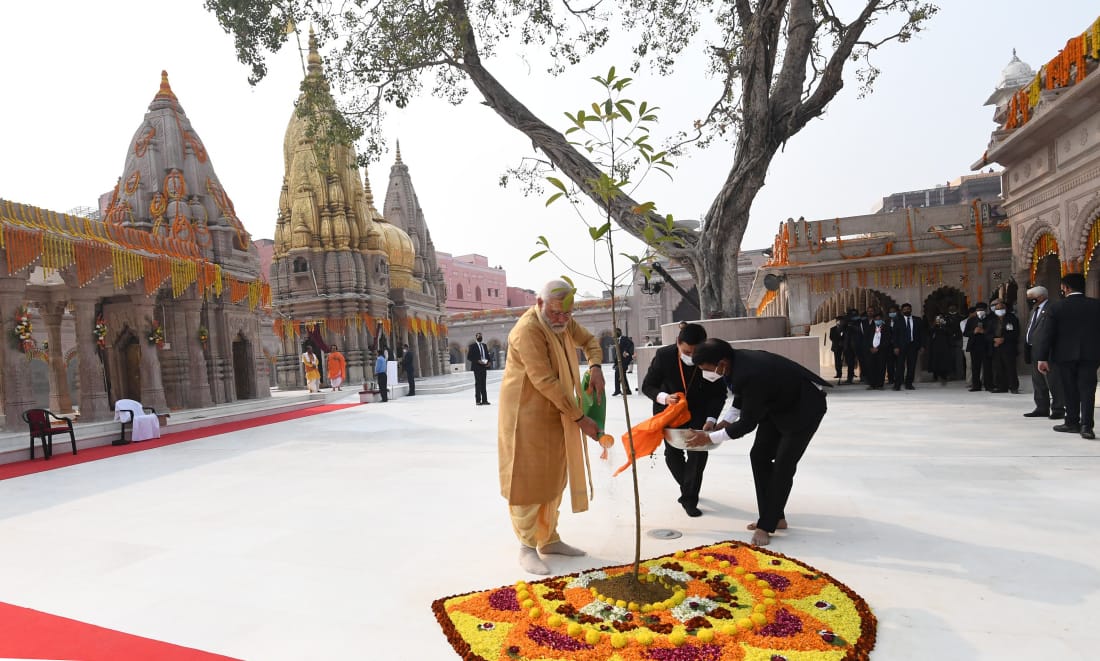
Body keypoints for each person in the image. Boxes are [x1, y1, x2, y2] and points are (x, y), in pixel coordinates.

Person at [498, 280, 605, 574]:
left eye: (567, 315)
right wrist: (580, 418)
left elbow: (590, 342)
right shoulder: (528, 331)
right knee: (529, 479)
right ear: (540, 303)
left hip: (559, 411)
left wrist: (595, 366)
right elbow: (544, 380)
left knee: (555, 474)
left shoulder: (564, 321)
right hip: (526, 415)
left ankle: (548, 538)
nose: (561, 320)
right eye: (556, 313)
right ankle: (527, 546)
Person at [687, 339, 830, 546]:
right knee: (759, 456)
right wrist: (723, 424)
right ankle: (775, 517)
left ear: (722, 362)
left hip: (803, 410)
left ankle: (766, 525)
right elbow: (740, 396)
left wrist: (709, 438)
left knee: (783, 466)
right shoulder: (736, 363)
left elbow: (747, 424)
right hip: (775, 407)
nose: (707, 373)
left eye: (707, 369)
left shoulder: (751, 372)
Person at [640, 323, 727, 517]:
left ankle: (689, 499)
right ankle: (688, 487)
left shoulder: (711, 358)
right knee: (672, 456)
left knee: (697, 455)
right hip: (670, 412)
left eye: (696, 352)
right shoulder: (664, 356)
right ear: (678, 343)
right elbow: (648, 385)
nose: (692, 356)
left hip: (699, 412)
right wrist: (664, 397)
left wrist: (712, 419)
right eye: (687, 351)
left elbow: (718, 394)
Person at [1036, 273, 1100, 440]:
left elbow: (1047, 334)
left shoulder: (1057, 308)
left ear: (1066, 288)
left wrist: (1042, 358)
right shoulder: (1096, 306)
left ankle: (1072, 422)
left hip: (1064, 356)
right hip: (1090, 355)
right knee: (1088, 390)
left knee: (1069, 389)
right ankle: (1087, 426)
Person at [1022, 286, 1065, 419]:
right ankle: (1041, 407)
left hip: (1048, 351)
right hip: (1034, 349)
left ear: (1040, 297)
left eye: (1030, 297)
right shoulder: (1034, 310)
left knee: (1053, 381)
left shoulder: (1053, 308)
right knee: (1038, 381)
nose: (1028, 300)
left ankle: (1058, 409)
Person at [892, 302, 924, 390]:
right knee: (899, 366)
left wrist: (922, 346)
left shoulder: (917, 320)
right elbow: (895, 335)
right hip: (901, 346)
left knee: (912, 365)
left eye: (908, 309)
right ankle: (897, 384)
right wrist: (895, 347)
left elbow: (921, 334)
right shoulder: (898, 320)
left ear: (911, 309)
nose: (907, 310)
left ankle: (909, 384)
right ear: (902, 311)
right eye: (905, 309)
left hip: (913, 346)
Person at [989, 300, 1020, 393]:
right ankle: (1001, 387)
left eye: (1001, 308)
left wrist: (1004, 339)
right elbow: (987, 334)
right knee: (998, 368)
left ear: (1005, 309)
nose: (999, 310)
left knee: (1010, 368)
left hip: (1008, 347)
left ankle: (1013, 387)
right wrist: (994, 339)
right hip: (996, 347)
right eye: (998, 309)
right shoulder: (992, 320)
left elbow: (1015, 333)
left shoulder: (1012, 318)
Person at [964, 302, 993, 392]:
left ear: (986, 310)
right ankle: (976, 385)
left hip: (986, 346)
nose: (980, 312)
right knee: (975, 367)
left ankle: (988, 385)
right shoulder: (971, 320)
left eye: (982, 310)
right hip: (974, 346)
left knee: (987, 367)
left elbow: (993, 332)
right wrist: (974, 331)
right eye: (978, 310)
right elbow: (965, 333)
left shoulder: (990, 319)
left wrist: (984, 332)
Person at [862, 311, 891, 390]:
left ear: (882, 319)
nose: (878, 321)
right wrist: (870, 348)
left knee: (881, 368)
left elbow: (887, 340)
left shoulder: (887, 328)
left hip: (881, 351)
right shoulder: (869, 328)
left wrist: (878, 348)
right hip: (871, 351)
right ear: (874, 320)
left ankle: (880, 385)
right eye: (876, 319)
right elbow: (865, 339)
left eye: (879, 319)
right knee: (871, 367)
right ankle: (872, 384)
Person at [926, 315, 953, 385]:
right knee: (935, 360)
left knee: (944, 360)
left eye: (940, 319)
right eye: (937, 319)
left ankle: (944, 376)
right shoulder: (933, 326)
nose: (939, 320)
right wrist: (934, 325)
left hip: (945, 345)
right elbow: (929, 333)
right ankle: (935, 376)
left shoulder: (946, 325)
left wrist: (943, 325)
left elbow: (950, 333)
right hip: (935, 346)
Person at [468, 332, 491, 405]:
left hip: (484, 366)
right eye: (478, 336)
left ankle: (485, 400)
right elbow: (469, 357)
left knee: (483, 383)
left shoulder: (484, 345)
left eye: (481, 336)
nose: (480, 337)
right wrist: (477, 361)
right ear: (476, 337)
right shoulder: (472, 346)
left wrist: (489, 361)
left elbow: (487, 354)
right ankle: (478, 400)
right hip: (477, 367)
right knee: (478, 383)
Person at [611, 328, 635, 396]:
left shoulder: (624, 338)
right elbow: (617, 353)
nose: (613, 334)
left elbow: (631, 344)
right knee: (622, 375)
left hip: (625, 360)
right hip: (619, 361)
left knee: (618, 372)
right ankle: (627, 390)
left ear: (618, 332)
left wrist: (626, 351)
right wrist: (615, 363)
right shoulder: (617, 341)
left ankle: (617, 390)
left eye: (614, 332)